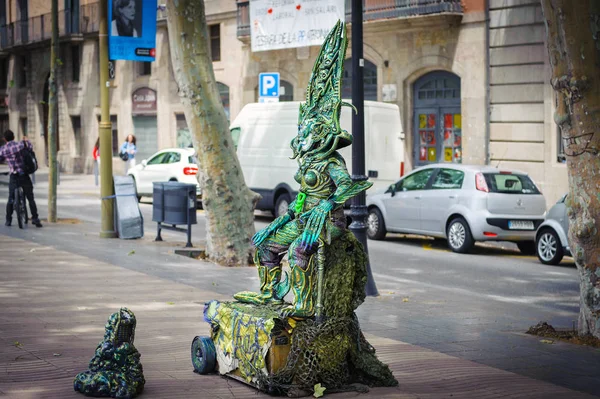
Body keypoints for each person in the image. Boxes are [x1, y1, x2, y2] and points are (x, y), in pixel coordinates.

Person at [233, 21, 370, 318]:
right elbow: (300, 196)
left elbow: (352, 186)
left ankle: (305, 305)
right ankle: (271, 294)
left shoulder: (331, 161)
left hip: (328, 222)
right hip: (303, 218)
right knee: (266, 245)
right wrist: (280, 221)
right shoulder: (308, 161)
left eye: (308, 130)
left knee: (298, 251)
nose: (302, 134)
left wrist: (327, 207)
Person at [0, 130, 42, 227]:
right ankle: (35, 218)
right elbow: (30, 148)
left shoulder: (3, 149)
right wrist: (27, 140)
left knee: (11, 198)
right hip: (24, 174)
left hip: (14, 176)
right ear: (14, 137)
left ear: (4, 139)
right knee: (30, 198)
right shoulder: (20, 145)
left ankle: (8, 220)